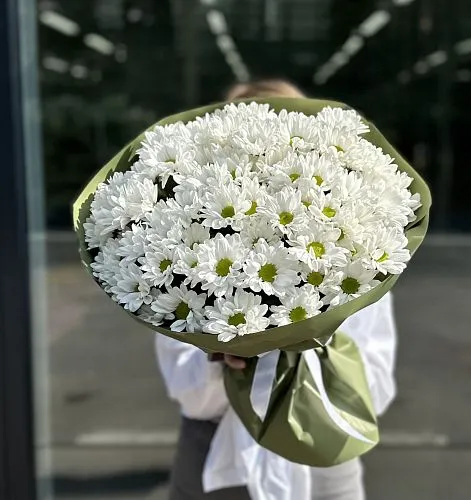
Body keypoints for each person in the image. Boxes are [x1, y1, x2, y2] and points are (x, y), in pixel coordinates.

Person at [155, 79, 398, 500]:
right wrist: (224, 356)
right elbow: (191, 396)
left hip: (322, 467)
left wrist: (304, 341)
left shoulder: (359, 257)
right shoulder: (182, 258)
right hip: (215, 463)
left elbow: (373, 391)